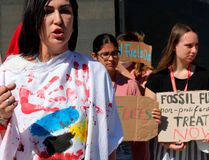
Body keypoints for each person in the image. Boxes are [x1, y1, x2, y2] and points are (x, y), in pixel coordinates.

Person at [0, 0, 123, 159]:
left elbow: (107, 144)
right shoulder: (9, 74)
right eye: (47, 11)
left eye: (65, 11)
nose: (57, 19)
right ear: (34, 17)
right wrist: (2, 118)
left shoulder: (94, 73)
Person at [145, 23, 209, 160]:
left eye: (196, 45)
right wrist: (162, 138)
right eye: (189, 46)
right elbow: (145, 120)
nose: (194, 50)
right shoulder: (157, 78)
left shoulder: (204, 76)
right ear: (174, 46)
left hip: (199, 151)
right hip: (166, 152)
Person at [91, 33, 149, 160]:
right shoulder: (87, 85)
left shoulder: (130, 85)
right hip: (95, 146)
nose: (111, 58)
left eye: (115, 53)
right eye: (105, 54)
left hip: (124, 147)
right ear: (94, 56)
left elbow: (140, 128)